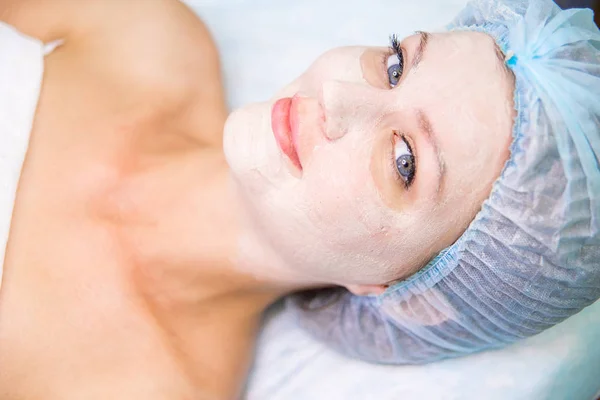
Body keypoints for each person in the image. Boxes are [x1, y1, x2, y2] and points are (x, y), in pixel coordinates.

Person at [0, 1, 597, 400]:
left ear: (412, 298)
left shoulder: (144, 387)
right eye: (394, 65)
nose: (338, 95)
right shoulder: (148, 38)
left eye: (404, 161)